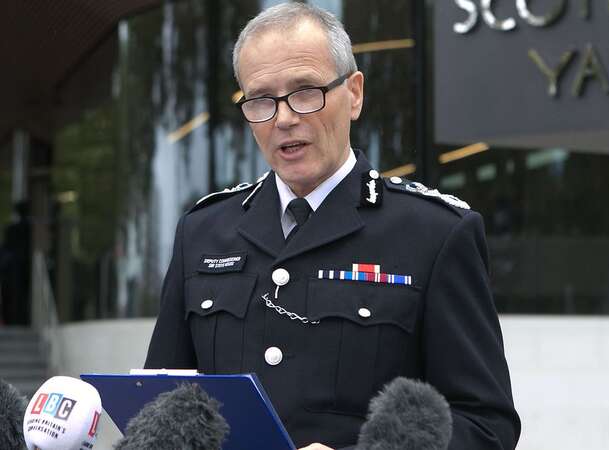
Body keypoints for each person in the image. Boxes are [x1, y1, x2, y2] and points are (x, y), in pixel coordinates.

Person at [144, 3, 520, 449]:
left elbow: (485, 424)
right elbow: (160, 410)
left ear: (355, 93)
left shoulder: (434, 234)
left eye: (305, 92)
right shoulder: (202, 232)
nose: (283, 118)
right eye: (261, 100)